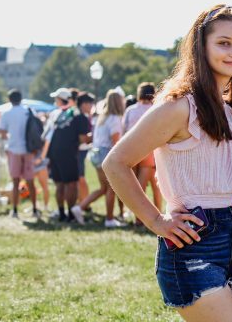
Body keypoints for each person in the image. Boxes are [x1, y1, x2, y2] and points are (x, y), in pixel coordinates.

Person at [103, 4, 232, 322]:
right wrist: (157, 221)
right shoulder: (179, 107)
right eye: (224, 42)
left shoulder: (227, 107)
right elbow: (116, 163)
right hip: (192, 246)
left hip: (230, 240)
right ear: (201, 46)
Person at [72, 89, 125, 227]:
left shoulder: (103, 117)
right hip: (105, 154)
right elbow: (115, 141)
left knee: (103, 188)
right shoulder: (114, 118)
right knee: (111, 189)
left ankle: (80, 207)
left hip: (96, 154)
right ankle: (109, 219)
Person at [45, 88, 91, 222]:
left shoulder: (57, 113)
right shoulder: (78, 114)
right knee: (71, 184)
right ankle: (71, 214)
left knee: (59, 184)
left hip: (54, 152)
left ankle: (61, 213)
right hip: (69, 153)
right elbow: (83, 139)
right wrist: (95, 137)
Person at [123, 82, 162, 219]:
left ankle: (139, 217)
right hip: (149, 151)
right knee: (150, 185)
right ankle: (147, 217)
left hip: (131, 151)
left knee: (137, 187)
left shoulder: (130, 110)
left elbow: (124, 131)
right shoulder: (156, 108)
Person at [0, 89, 39, 218]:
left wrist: (10, 137)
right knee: (30, 181)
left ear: (9, 99)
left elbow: (2, 132)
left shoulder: (7, 113)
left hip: (13, 149)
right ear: (21, 98)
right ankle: (34, 209)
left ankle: (15, 210)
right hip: (28, 149)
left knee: (15, 182)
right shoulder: (28, 111)